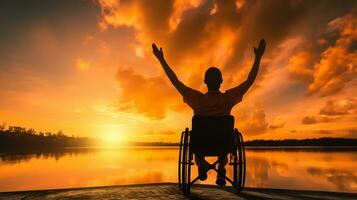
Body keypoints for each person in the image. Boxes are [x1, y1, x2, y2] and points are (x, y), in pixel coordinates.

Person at [152, 39, 266, 185]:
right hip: (223, 144)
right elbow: (249, 81)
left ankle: (201, 166)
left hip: (201, 144)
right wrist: (258, 57)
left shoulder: (197, 99)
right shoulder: (227, 98)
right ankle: (221, 168)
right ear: (221, 81)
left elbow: (175, 81)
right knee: (225, 141)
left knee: (197, 142)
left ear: (205, 81)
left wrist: (161, 59)